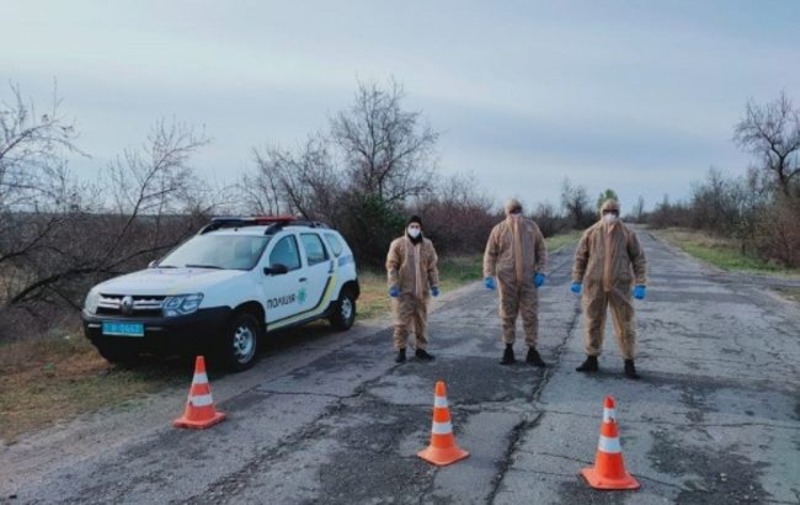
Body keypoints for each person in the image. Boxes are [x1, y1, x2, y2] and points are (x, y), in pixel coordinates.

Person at [571, 198, 647, 379]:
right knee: (592, 321)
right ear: (601, 213)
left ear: (618, 214)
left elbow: (638, 258)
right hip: (594, 285)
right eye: (607, 212)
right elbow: (580, 258)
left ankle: (629, 362)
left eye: (613, 212)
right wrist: (577, 279)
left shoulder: (627, 233)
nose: (610, 215)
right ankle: (591, 358)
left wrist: (641, 282)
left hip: (620, 286)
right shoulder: (591, 233)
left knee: (625, 323)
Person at [483, 198, 548, 366]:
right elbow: (490, 254)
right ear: (507, 212)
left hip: (529, 280)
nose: (516, 214)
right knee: (507, 315)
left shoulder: (531, 228)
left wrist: (541, 271)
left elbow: (541, 250)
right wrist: (488, 275)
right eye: (512, 211)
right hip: (507, 281)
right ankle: (508, 349)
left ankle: (532, 350)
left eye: (518, 211)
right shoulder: (499, 230)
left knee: (530, 315)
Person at [386, 215, 440, 363]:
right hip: (404, 293)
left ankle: (421, 350)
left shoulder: (427, 245)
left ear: (421, 228)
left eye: (417, 227)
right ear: (407, 228)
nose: (414, 229)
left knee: (421, 322)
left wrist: (434, 284)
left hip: (422, 293)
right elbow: (392, 266)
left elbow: (432, 267)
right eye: (412, 226)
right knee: (402, 323)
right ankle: (401, 350)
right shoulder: (398, 244)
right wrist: (393, 285)